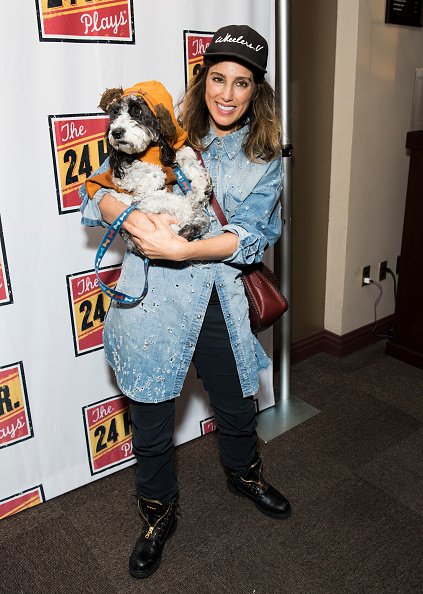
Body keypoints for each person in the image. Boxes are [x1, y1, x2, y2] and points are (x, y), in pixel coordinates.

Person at [80, 23, 291, 580]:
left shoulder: (265, 157)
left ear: (257, 92)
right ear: (203, 81)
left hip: (220, 295)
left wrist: (182, 248)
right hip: (151, 299)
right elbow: (96, 189)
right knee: (150, 417)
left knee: (236, 403)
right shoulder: (164, 125)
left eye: (241, 83)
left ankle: (244, 474)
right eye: (217, 78)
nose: (226, 93)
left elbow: (253, 235)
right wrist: (123, 213)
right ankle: (156, 514)